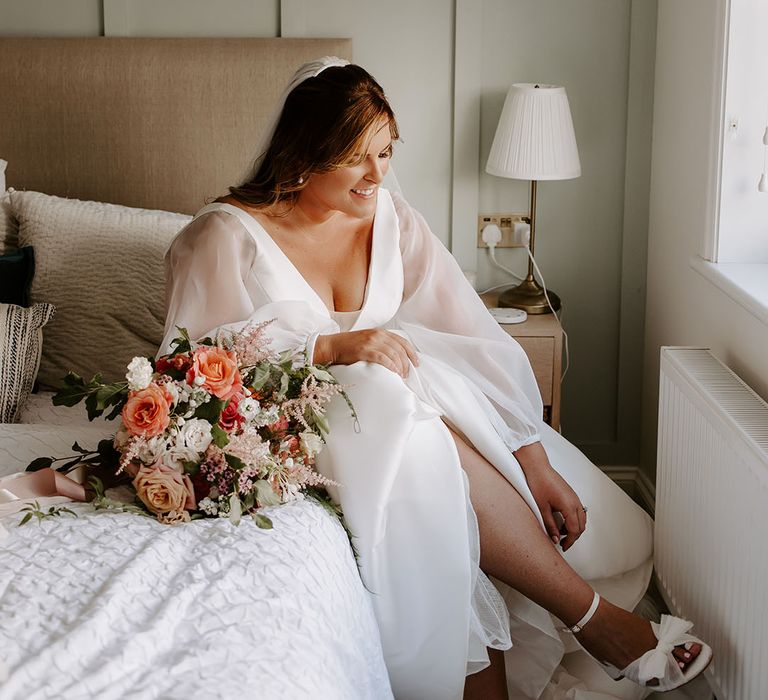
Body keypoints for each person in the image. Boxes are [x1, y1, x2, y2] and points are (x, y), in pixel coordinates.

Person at [160, 58, 711, 700]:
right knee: (380, 386)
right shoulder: (224, 237)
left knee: (403, 385)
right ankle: (594, 619)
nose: (376, 175)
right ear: (305, 152)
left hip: (407, 418)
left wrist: (531, 461)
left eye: (387, 153)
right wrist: (330, 346)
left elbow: (476, 340)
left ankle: (589, 620)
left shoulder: (393, 222)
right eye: (356, 158)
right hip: (289, 428)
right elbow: (192, 368)